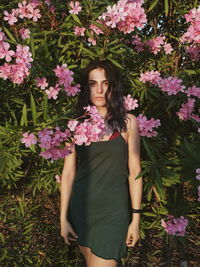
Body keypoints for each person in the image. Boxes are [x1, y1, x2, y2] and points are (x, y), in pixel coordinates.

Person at [60, 59, 143, 267]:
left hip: (113, 212)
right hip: (82, 208)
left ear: (112, 86)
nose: (99, 89)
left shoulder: (128, 123)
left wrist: (136, 218)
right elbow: (68, 173)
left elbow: (135, 172)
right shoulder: (75, 124)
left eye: (105, 83)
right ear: (85, 87)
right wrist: (63, 219)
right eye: (92, 83)